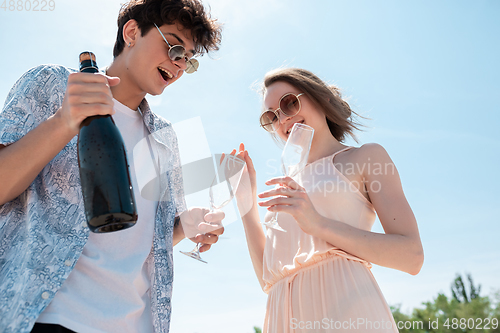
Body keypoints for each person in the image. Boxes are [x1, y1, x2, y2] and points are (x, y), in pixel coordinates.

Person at [0, 0, 224, 332]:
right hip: (47, 317)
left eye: (188, 60)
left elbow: (140, 242)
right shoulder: (54, 84)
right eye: (175, 47)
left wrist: (182, 227)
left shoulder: (165, 138)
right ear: (132, 32)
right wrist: (64, 121)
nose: (178, 66)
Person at [231, 68, 424, 332]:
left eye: (289, 103)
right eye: (271, 117)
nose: (282, 119)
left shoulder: (367, 157)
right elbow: (269, 278)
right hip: (284, 320)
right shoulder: (289, 186)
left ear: (320, 99)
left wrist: (318, 224)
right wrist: (246, 204)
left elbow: (411, 257)